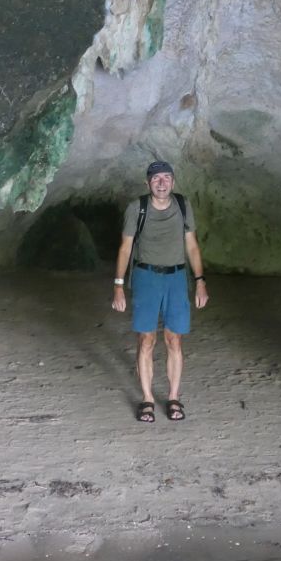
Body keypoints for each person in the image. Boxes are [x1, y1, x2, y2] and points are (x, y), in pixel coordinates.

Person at [112, 161, 210, 423]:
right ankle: (147, 398)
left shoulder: (182, 205)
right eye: (156, 179)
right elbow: (125, 248)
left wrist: (200, 280)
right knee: (146, 340)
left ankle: (174, 396)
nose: (162, 183)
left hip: (177, 277)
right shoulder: (137, 208)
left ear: (173, 182)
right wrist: (118, 286)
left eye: (167, 178)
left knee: (174, 339)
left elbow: (192, 246)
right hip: (146, 277)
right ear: (148, 183)